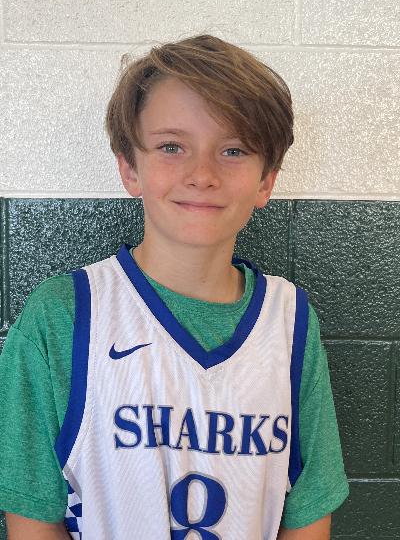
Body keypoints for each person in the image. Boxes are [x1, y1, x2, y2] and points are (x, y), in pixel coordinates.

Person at [0, 35, 348, 539]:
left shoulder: (290, 318)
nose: (202, 174)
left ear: (266, 181)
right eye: (171, 147)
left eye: (233, 150)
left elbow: (308, 513)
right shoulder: (63, 315)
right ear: (129, 167)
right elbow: (33, 516)